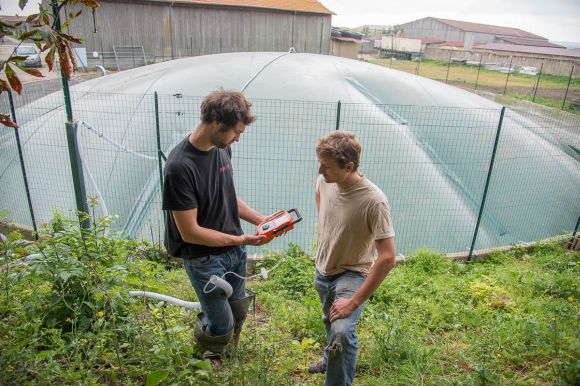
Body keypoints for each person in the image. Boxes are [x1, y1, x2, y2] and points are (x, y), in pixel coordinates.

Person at [162, 89, 271, 360]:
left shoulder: (221, 149)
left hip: (233, 252)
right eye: (236, 132)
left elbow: (227, 194)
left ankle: (225, 352)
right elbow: (191, 232)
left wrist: (260, 220)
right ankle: (207, 358)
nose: (237, 138)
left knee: (239, 310)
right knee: (222, 323)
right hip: (204, 258)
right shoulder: (179, 167)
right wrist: (243, 240)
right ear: (216, 123)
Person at [309, 131, 397, 386]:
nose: (320, 169)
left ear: (349, 167)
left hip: (352, 273)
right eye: (319, 162)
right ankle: (330, 361)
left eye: (325, 166)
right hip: (323, 269)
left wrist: (354, 302)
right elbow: (322, 205)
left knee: (341, 330)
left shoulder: (374, 201)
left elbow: (388, 257)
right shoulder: (324, 182)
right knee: (329, 320)